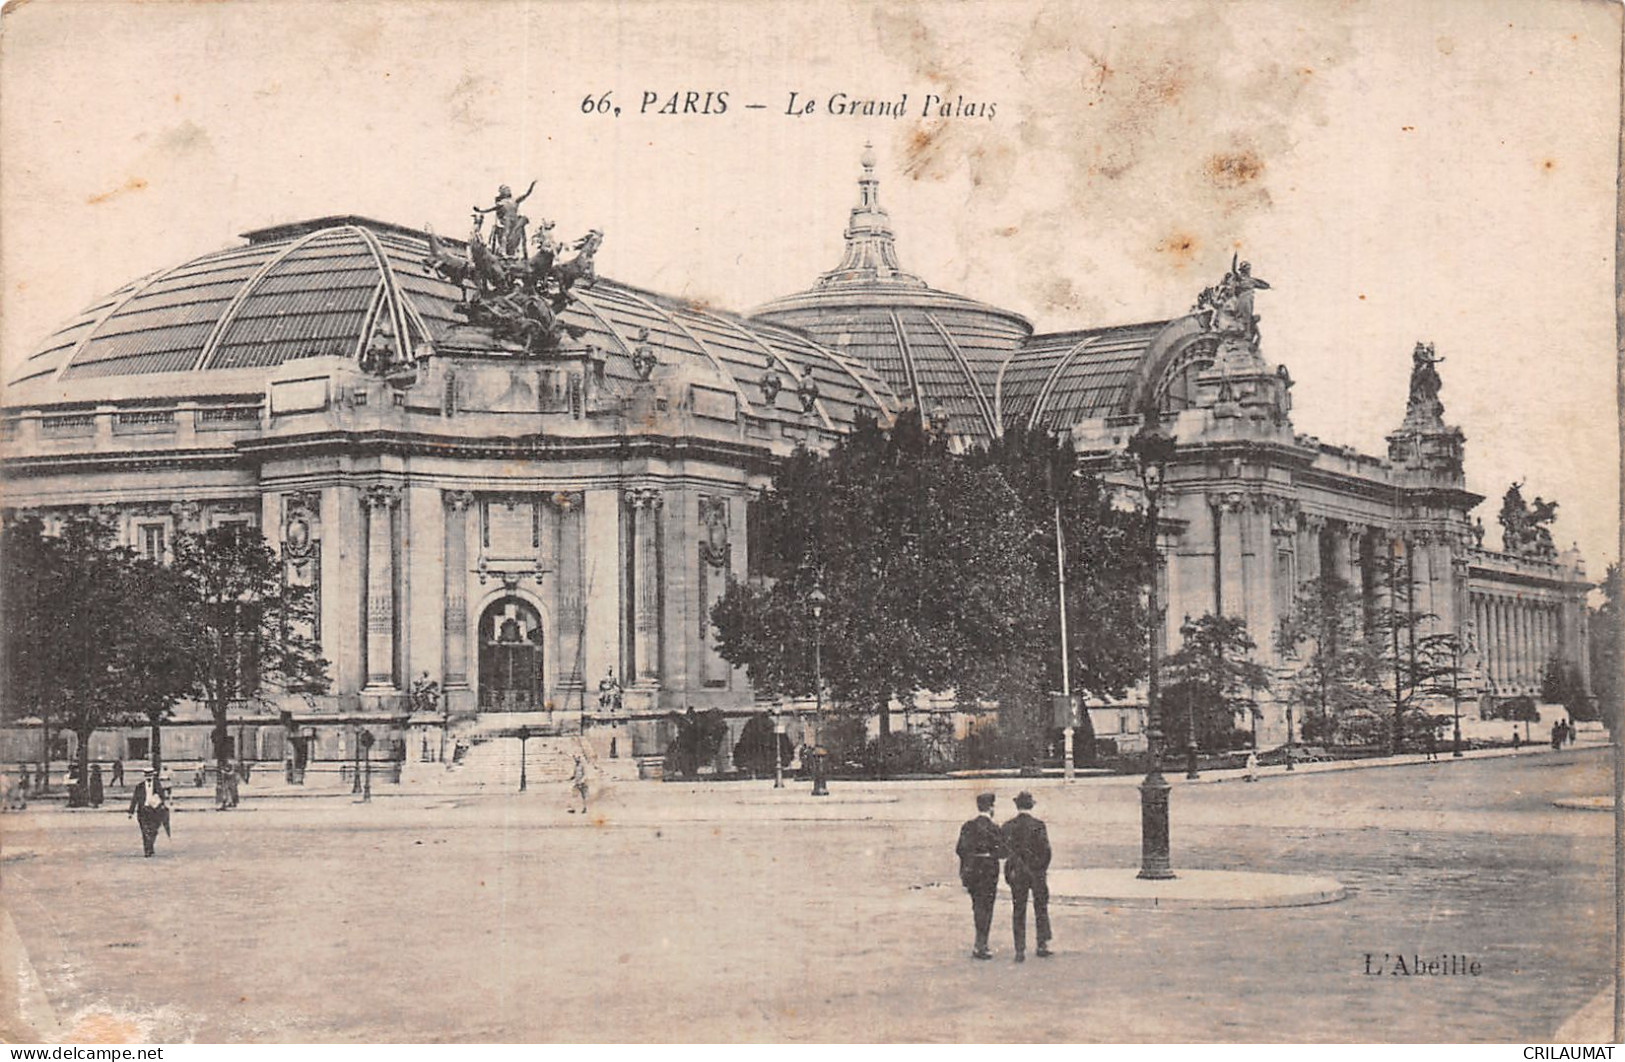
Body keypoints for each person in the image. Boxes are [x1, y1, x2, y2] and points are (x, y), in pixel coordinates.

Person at [1001, 791, 1053, 962]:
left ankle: (1019, 949)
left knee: (1018, 910)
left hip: (1018, 873)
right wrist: (1040, 869)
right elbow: (1046, 851)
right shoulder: (1038, 825)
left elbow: (1003, 851)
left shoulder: (1008, 826)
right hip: (1036, 873)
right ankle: (1042, 943)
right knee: (1041, 907)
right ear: (1031, 805)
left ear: (1017, 806)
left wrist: (1011, 870)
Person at [956, 792, 1006, 960]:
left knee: (977, 905)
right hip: (989, 872)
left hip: (972, 870)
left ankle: (979, 942)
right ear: (991, 808)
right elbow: (1003, 852)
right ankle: (982, 943)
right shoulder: (994, 828)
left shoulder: (968, 826)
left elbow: (960, 849)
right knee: (987, 907)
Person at [126, 768, 171, 857]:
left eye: (150, 775)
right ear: (144, 776)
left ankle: (150, 846)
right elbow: (135, 799)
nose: (148, 777)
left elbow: (162, 797)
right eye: (147, 775)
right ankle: (147, 850)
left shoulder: (158, 785)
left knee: (153, 831)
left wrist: (160, 803)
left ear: (153, 775)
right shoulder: (139, 786)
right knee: (145, 831)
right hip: (143, 811)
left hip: (155, 811)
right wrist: (131, 812)